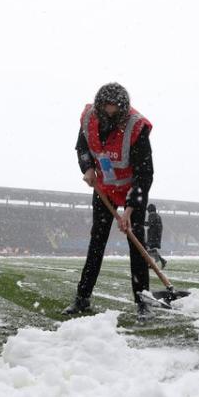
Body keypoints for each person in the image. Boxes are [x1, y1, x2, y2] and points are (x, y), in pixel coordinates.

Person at [64, 82, 154, 317]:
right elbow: (82, 147)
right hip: (104, 188)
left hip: (132, 189)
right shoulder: (88, 119)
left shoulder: (136, 127)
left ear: (123, 110)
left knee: (137, 245)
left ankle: (143, 301)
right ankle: (82, 298)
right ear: (99, 107)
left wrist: (130, 210)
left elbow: (145, 173)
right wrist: (87, 168)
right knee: (97, 243)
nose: (110, 114)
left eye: (116, 110)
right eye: (107, 109)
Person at [145, 203, 166, 269]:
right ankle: (162, 260)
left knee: (146, 249)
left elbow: (150, 224)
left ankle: (153, 263)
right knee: (152, 250)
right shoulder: (157, 215)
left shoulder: (152, 215)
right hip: (156, 235)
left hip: (153, 235)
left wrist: (140, 222)